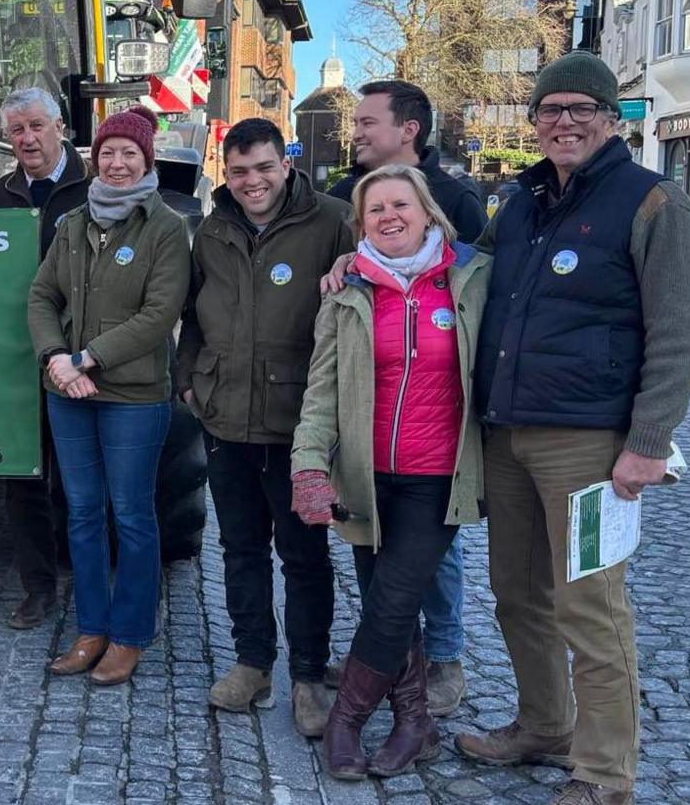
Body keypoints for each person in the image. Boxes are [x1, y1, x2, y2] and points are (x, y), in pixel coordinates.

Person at [454, 52, 690, 805]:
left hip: (591, 443)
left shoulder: (654, 202)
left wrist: (648, 443)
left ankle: (604, 772)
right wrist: (363, 267)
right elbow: (470, 276)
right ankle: (543, 724)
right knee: (516, 593)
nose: (563, 121)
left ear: (609, 117)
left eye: (580, 108)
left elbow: (682, 333)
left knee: (590, 608)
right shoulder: (524, 201)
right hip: (509, 434)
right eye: (549, 110)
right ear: (533, 121)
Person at [289, 164, 492, 781]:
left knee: (394, 598)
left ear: (429, 213)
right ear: (360, 225)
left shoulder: (473, 280)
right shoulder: (347, 292)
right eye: (375, 210)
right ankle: (414, 724)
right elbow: (320, 393)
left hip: (438, 477)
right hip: (367, 478)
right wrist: (308, 466)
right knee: (389, 604)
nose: (389, 217)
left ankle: (346, 721)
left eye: (400, 205)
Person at [180, 117, 354, 738]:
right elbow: (192, 314)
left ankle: (308, 676)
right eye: (239, 171)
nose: (252, 181)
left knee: (304, 554)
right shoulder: (211, 230)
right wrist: (188, 381)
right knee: (239, 549)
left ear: (286, 164)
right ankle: (253, 662)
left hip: (297, 424)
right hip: (224, 417)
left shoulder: (333, 221)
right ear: (226, 172)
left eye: (263, 168)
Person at [326, 78, 485, 716]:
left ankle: (443, 659)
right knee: (376, 554)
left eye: (367, 122)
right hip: (372, 418)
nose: (356, 132)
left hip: (437, 429)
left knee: (435, 559)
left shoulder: (458, 198)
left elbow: (474, 280)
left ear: (408, 130)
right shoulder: (344, 195)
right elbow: (348, 273)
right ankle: (388, 651)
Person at [26, 106, 189, 687]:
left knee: (133, 516)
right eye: (109, 152)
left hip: (133, 397)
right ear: (95, 156)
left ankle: (129, 635)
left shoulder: (166, 227)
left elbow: (158, 314)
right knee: (83, 513)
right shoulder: (72, 224)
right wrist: (56, 361)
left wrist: (87, 358)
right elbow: (42, 297)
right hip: (68, 390)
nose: (117, 164)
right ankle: (91, 628)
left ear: (146, 160)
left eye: (130, 154)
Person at [0, 85, 89, 630]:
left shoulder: (92, 188)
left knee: (81, 479)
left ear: (60, 127)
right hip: (19, 357)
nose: (27, 138)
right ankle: (37, 588)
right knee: (22, 478)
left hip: (82, 358)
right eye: (17, 130)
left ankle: (94, 587)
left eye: (37, 127)